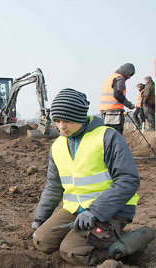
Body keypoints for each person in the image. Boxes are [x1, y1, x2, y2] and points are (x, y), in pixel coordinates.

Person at [31, 88, 154, 266]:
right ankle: (92, 238)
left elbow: (128, 180)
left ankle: (134, 241)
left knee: (72, 252)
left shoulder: (108, 137)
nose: (61, 126)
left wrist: (95, 211)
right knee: (42, 240)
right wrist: (39, 219)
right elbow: (53, 186)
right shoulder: (57, 146)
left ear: (80, 116)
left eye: (66, 120)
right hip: (77, 209)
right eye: (57, 121)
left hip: (112, 210)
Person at [100, 63, 135, 134]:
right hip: (114, 113)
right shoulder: (120, 79)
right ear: (126, 71)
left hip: (105, 112)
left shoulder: (111, 78)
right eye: (129, 75)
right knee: (116, 137)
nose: (129, 77)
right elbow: (118, 95)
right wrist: (130, 105)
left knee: (107, 135)